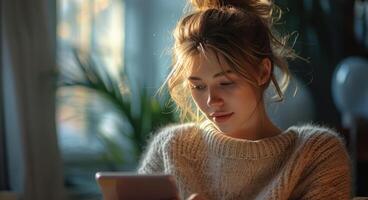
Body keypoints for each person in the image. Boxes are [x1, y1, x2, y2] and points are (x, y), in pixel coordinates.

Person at [137, 0, 352, 199]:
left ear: (263, 72)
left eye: (226, 83)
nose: (212, 100)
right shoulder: (170, 148)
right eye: (198, 86)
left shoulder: (315, 155)